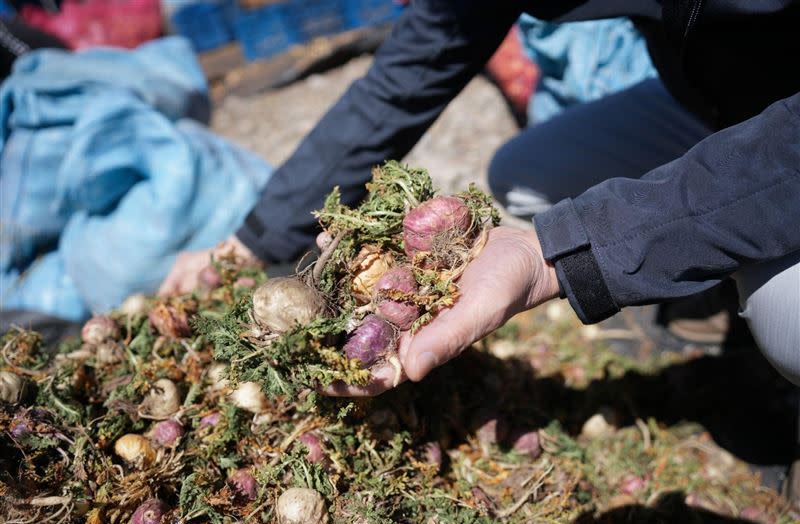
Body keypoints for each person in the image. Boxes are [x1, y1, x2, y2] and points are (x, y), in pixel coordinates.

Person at [161, 0, 800, 396]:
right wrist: (255, 238)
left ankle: (735, 281)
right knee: (527, 170)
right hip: (719, 107)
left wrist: (558, 255)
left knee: (789, 325)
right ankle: (710, 279)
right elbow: (407, 75)